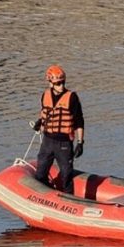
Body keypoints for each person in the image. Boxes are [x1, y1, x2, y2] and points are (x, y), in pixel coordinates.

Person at [30, 65, 85, 193]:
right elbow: (45, 113)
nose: (61, 86)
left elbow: (79, 122)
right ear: (50, 83)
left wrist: (80, 143)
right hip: (47, 141)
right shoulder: (45, 95)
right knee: (40, 173)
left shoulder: (72, 98)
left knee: (66, 175)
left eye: (63, 82)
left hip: (64, 144)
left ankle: (69, 201)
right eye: (58, 83)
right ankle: (46, 196)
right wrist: (40, 123)